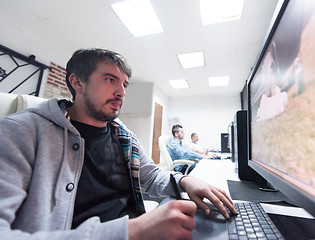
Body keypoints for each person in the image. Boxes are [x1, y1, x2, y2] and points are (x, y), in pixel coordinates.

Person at [0, 48, 237, 240]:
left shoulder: (124, 137)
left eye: (124, 84)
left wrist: (185, 180)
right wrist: (130, 231)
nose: (121, 92)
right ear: (77, 82)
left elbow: (152, 177)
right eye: (110, 79)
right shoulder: (19, 132)